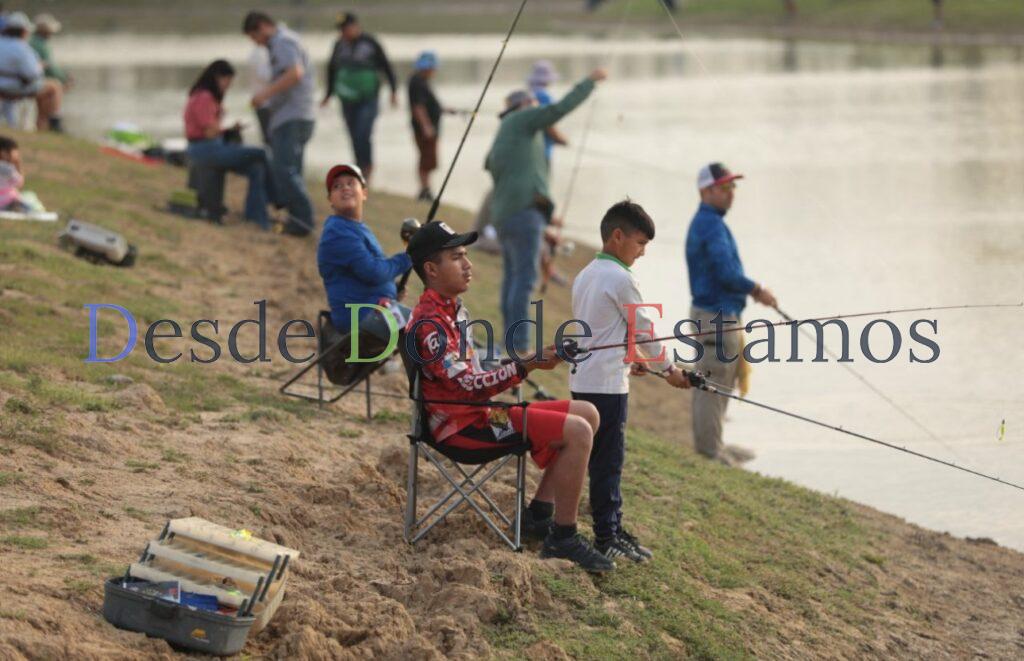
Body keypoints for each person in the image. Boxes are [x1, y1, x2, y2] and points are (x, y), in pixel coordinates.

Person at [405, 221, 614, 573]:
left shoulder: (453, 310)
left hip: (481, 416)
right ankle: (563, 537)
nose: (468, 264)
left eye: (467, 255)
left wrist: (529, 358)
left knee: (588, 413)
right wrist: (527, 366)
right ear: (431, 269)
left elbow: (472, 373)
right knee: (577, 431)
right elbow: (468, 387)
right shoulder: (430, 325)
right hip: (462, 430)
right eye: (457, 257)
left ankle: (538, 515)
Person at [570, 200, 691, 563]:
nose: (642, 253)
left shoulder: (586, 273)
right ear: (617, 236)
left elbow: (603, 330)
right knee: (608, 462)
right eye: (640, 244)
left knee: (601, 460)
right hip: (606, 387)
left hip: (585, 379)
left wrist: (632, 358)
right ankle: (607, 535)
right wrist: (670, 370)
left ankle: (612, 527)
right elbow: (644, 329)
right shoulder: (622, 278)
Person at [485, 68, 607, 356]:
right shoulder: (523, 119)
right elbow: (558, 109)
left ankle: (510, 343)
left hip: (506, 215)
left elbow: (491, 164)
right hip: (523, 216)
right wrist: (588, 83)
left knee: (513, 278)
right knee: (525, 280)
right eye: (534, 105)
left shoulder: (507, 131)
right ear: (525, 106)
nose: (537, 109)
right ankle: (520, 347)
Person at [685, 163, 778, 465]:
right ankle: (710, 452)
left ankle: (715, 445)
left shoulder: (711, 222)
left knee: (720, 382)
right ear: (705, 191)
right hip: (715, 317)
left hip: (719, 315)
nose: (730, 194)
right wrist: (756, 290)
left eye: (732, 188)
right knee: (711, 383)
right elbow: (726, 273)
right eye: (723, 188)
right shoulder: (710, 224)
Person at [317, 163, 411, 341]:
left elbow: (367, 275)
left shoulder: (355, 228)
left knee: (431, 327)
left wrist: (392, 290)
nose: (344, 188)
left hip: (375, 311)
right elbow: (373, 272)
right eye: (337, 186)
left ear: (364, 193)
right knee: (427, 328)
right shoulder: (337, 232)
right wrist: (408, 257)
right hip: (360, 318)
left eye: (351, 183)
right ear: (330, 199)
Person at [243, 11, 316, 237]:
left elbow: (295, 74)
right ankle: (297, 219)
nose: (256, 43)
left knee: (284, 169)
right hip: (297, 114)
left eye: (254, 37)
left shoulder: (282, 42)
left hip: (291, 116)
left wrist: (264, 96)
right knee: (292, 169)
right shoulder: (285, 41)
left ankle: (303, 220)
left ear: (263, 27)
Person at [184, 59, 275, 230]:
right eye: (228, 82)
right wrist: (227, 127)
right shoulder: (204, 97)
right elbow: (209, 132)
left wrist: (226, 126)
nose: (228, 86)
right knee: (261, 152)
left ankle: (257, 219)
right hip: (205, 149)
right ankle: (278, 198)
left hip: (212, 146)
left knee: (256, 168)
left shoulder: (207, 97)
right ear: (218, 77)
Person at [322, 12, 396, 186]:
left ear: (355, 26)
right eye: (341, 30)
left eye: (346, 28)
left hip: (368, 98)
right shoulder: (339, 45)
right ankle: (358, 168)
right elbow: (331, 70)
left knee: (363, 132)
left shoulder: (370, 43)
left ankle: (367, 168)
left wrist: (393, 90)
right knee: (353, 133)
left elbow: (386, 66)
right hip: (347, 99)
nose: (344, 33)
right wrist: (328, 94)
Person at [0, 12, 61, 131]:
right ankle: (48, 124)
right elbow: (32, 74)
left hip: (2, 86)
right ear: (24, 31)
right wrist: (40, 66)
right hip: (17, 88)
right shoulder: (23, 48)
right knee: (54, 86)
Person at [408, 50, 442, 202]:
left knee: (428, 160)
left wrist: (444, 109)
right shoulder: (417, 82)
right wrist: (426, 127)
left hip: (427, 128)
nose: (434, 71)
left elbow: (428, 104)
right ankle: (424, 190)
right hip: (424, 129)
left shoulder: (421, 81)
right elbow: (418, 107)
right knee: (426, 160)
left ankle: (426, 189)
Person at [28, 13, 66, 132]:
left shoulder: (32, 41)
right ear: (45, 31)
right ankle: (54, 123)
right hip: (28, 84)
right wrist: (65, 79)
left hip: (28, 81)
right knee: (56, 86)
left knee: (51, 87)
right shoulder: (40, 45)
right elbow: (50, 68)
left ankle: (42, 126)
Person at [526, 60, 568, 164]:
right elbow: (546, 121)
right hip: (542, 150)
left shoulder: (528, 94)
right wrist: (560, 139)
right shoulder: (543, 96)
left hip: (529, 150)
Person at [246, 43, 272, 145]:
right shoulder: (261, 54)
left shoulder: (258, 53)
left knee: (268, 138)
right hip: (265, 104)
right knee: (270, 139)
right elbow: (266, 76)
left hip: (262, 102)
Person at [0, 134, 24, 209]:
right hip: (6, 199)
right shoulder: (7, 168)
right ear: (3, 152)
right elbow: (19, 182)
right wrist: (18, 165)